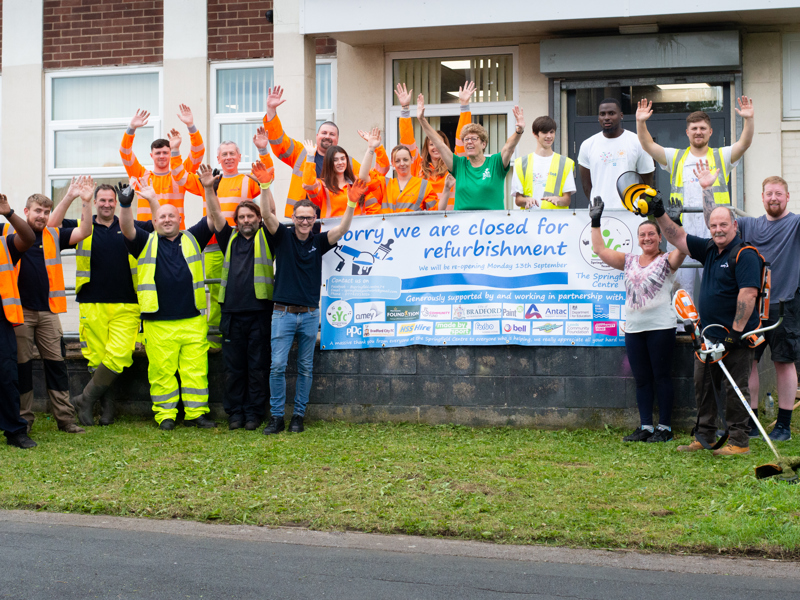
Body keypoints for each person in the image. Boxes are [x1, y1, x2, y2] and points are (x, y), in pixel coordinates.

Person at [655, 160, 761, 456]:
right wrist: (659, 213)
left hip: (734, 338)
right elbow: (676, 236)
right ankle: (703, 436)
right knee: (703, 386)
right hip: (706, 335)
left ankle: (739, 441)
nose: (717, 229)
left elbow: (748, 294)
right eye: (713, 225)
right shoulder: (710, 250)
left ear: (734, 226)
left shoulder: (745, 254)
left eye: (723, 225)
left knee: (734, 388)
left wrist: (735, 333)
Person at [260, 160, 364, 435]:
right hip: (282, 313)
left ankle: (298, 417)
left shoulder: (318, 242)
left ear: (314, 220)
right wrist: (264, 187)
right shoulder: (281, 237)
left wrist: (351, 205)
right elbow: (267, 217)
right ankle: (276, 417)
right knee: (277, 366)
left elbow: (341, 230)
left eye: (309, 218)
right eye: (300, 217)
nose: (304, 221)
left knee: (306, 367)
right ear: (293, 218)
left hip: (309, 315)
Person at [121, 164, 227, 430]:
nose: (167, 219)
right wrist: (126, 205)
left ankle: (196, 414)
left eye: (172, 215)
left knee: (195, 371)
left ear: (179, 219)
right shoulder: (144, 241)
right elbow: (126, 228)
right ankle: (165, 415)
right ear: (154, 221)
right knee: (161, 372)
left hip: (192, 320)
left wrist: (209, 190)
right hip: (158, 321)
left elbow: (215, 218)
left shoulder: (193, 238)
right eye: (162, 217)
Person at [47, 179, 159, 426]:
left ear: (117, 202)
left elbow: (160, 226)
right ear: (95, 202)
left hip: (128, 303)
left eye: (112, 200)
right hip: (92, 302)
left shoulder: (130, 226)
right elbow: (49, 229)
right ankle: (107, 409)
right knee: (98, 358)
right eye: (103, 200)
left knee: (118, 356)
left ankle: (84, 399)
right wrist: (70, 197)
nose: (108, 204)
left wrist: (152, 199)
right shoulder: (80, 226)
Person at [636, 96, 754, 295]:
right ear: (687, 132)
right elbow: (648, 145)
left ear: (710, 131)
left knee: (717, 284)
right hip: (684, 231)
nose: (698, 132)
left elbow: (744, 143)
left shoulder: (721, 156)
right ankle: (684, 327)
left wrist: (749, 119)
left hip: (715, 231)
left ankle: (715, 324)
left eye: (702, 128)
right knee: (683, 286)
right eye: (694, 128)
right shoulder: (676, 157)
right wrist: (640, 122)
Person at [590, 198, 686, 442]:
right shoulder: (629, 261)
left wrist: (675, 222)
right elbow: (600, 250)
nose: (647, 238)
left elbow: (683, 248)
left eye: (652, 234)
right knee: (642, 379)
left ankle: (664, 428)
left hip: (661, 328)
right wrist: (595, 221)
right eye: (642, 235)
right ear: (638, 238)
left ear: (660, 237)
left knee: (662, 377)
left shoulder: (667, 260)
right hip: (634, 329)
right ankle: (646, 427)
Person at [171, 128, 275, 348]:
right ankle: (216, 336)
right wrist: (175, 149)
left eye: (232, 154)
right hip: (212, 244)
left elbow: (268, 176)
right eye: (224, 154)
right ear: (218, 158)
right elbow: (180, 176)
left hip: (243, 244)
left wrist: (263, 149)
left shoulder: (248, 180)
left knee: (243, 287)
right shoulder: (208, 180)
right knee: (217, 289)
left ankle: (236, 331)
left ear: (239, 157)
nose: (228, 157)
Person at [4, 187, 93, 434]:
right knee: (22, 368)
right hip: (18, 313)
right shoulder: (7, 232)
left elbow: (85, 230)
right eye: (37, 211)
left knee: (57, 365)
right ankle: (24, 420)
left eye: (46, 212)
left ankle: (65, 419)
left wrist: (85, 201)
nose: (42, 216)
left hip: (48, 313)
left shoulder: (53, 235)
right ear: (25, 212)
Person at [263, 85, 389, 217]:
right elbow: (279, 143)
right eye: (324, 133)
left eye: (332, 134)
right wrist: (271, 111)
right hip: (302, 220)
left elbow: (378, 173)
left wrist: (376, 147)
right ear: (317, 136)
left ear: (337, 139)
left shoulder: (347, 162)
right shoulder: (302, 153)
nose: (327, 136)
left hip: (333, 222)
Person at [736, 176, 797, 442]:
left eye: (778, 193)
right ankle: (752, 423)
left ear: (787, 197)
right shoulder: (750, 225)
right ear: (761, 197)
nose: (773, 198)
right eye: (769, 193)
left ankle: (783, 425)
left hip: (786, 304)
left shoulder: (795, 223)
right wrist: (706, 189)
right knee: (749, 362)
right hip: (753, 307)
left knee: (783, 362)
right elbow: (716, 224)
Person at [213, 172, 276, 430]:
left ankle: (254, 414)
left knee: (258, 368)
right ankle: (235, 413)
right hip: (231, 314)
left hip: (259, 313)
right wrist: (210, 188)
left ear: (258, 219)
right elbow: (216, 216)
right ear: (236, 221)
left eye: (251, 216)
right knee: (234, 369)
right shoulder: (228, 238)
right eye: (241, 217)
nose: (246, 220)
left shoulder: (268, 236)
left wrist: (264, 186)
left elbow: (271, 212)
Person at [417, 93, 525, 210]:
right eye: (466, 139)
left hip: (491, 226)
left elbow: (509, 147)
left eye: (474, 138)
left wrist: (519, 131)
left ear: (483, 144)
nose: (469, 142)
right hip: (463, 226)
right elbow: (440, 145)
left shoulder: (495, 163)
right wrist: (422, 120)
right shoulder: (459, 165)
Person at [119, 105, 205, 228]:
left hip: (174, 235)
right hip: (147, 234)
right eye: (158, 153)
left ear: (171, 154)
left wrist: (191, 126)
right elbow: (125, 152)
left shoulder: (180, 175)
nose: (162, 156)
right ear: (151, 155)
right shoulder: (140, 175)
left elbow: (198, 152)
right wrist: (131, 128)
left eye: (165, 152)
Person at [394, 81, 474, 210]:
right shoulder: (418, 167)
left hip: (450, 222)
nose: (435, 147)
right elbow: (407, 142)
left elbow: (462, 141)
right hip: (425, 223)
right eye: (431, 144)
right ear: (427, 147)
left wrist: (464, 106)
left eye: (439, 143)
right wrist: (405, 108)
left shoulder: (454, 165)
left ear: (445, 146)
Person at [0, 193, 37, 448]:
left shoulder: (4, 239)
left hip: (2, 319)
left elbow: (29, 238)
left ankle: (15, 430)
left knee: (6, 375)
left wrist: (8, 212)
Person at [578, 98, 654, 209]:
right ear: (598, 118)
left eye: (611, 113)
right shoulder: (587, 145)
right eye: (602, 114)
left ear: (621, 115)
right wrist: (597, 205)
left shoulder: (637, 141)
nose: (606, 118)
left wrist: (638, 205)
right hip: (599, 213)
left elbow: (646, 179)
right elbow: (586, 185)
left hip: (631, 212)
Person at [359, 129, 439, 213]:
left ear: (412, 160)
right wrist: (371, 147)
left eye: (405, 159)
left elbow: (436, 212)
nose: (402, 163)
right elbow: (363, 177)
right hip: (388, 226)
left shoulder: (424, 185)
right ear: (392, 163)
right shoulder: (385, 184)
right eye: (397, 161)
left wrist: (446, 191)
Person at [512, 115, 576, 210]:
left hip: (557, 222)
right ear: (535, 134)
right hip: (530, 220)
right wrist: (526, 201)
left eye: (552, 132)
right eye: (544, 132)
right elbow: (518, 200)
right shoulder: (521, 163)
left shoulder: (566, 163)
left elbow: (567, 199)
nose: (549, 136)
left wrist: (558, 200)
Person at [302, 142, 381, 216]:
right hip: (332, 230)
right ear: (329, 163)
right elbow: (308, 185)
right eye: (335, 160)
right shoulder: (323, 185)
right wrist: (310, 157)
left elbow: (370, 180)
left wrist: (371, 148)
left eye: (342, 159)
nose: (340, 162)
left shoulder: (356, 181)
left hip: (357, 230)